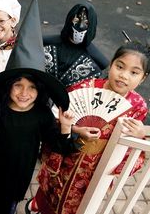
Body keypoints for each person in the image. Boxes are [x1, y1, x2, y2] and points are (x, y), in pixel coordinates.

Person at [0, 0, 79, 213]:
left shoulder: (41, 115)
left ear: (39, 91)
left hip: (16, 179)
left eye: (32, 87)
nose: (24, 93)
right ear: (7, 87)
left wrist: (66, 128)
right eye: (18, 85)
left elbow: (59, 147)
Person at [32, 41, 149, 214]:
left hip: (96, 167)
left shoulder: (138, 106)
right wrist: (76, 129)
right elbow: (59, 117)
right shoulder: (85, 87)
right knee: (50, 195)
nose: (124, 75)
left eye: (134, 72)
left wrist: (140, 135)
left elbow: (131, 142)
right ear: (111, 65)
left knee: (80, 203)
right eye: (120, 66)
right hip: (69, 156)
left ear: (143, 78)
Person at [44, 2, 109, 87]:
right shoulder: (46, 42)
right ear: (70, 20)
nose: (81, 26)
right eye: (76, 21)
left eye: (86, 23)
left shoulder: (97, 60)